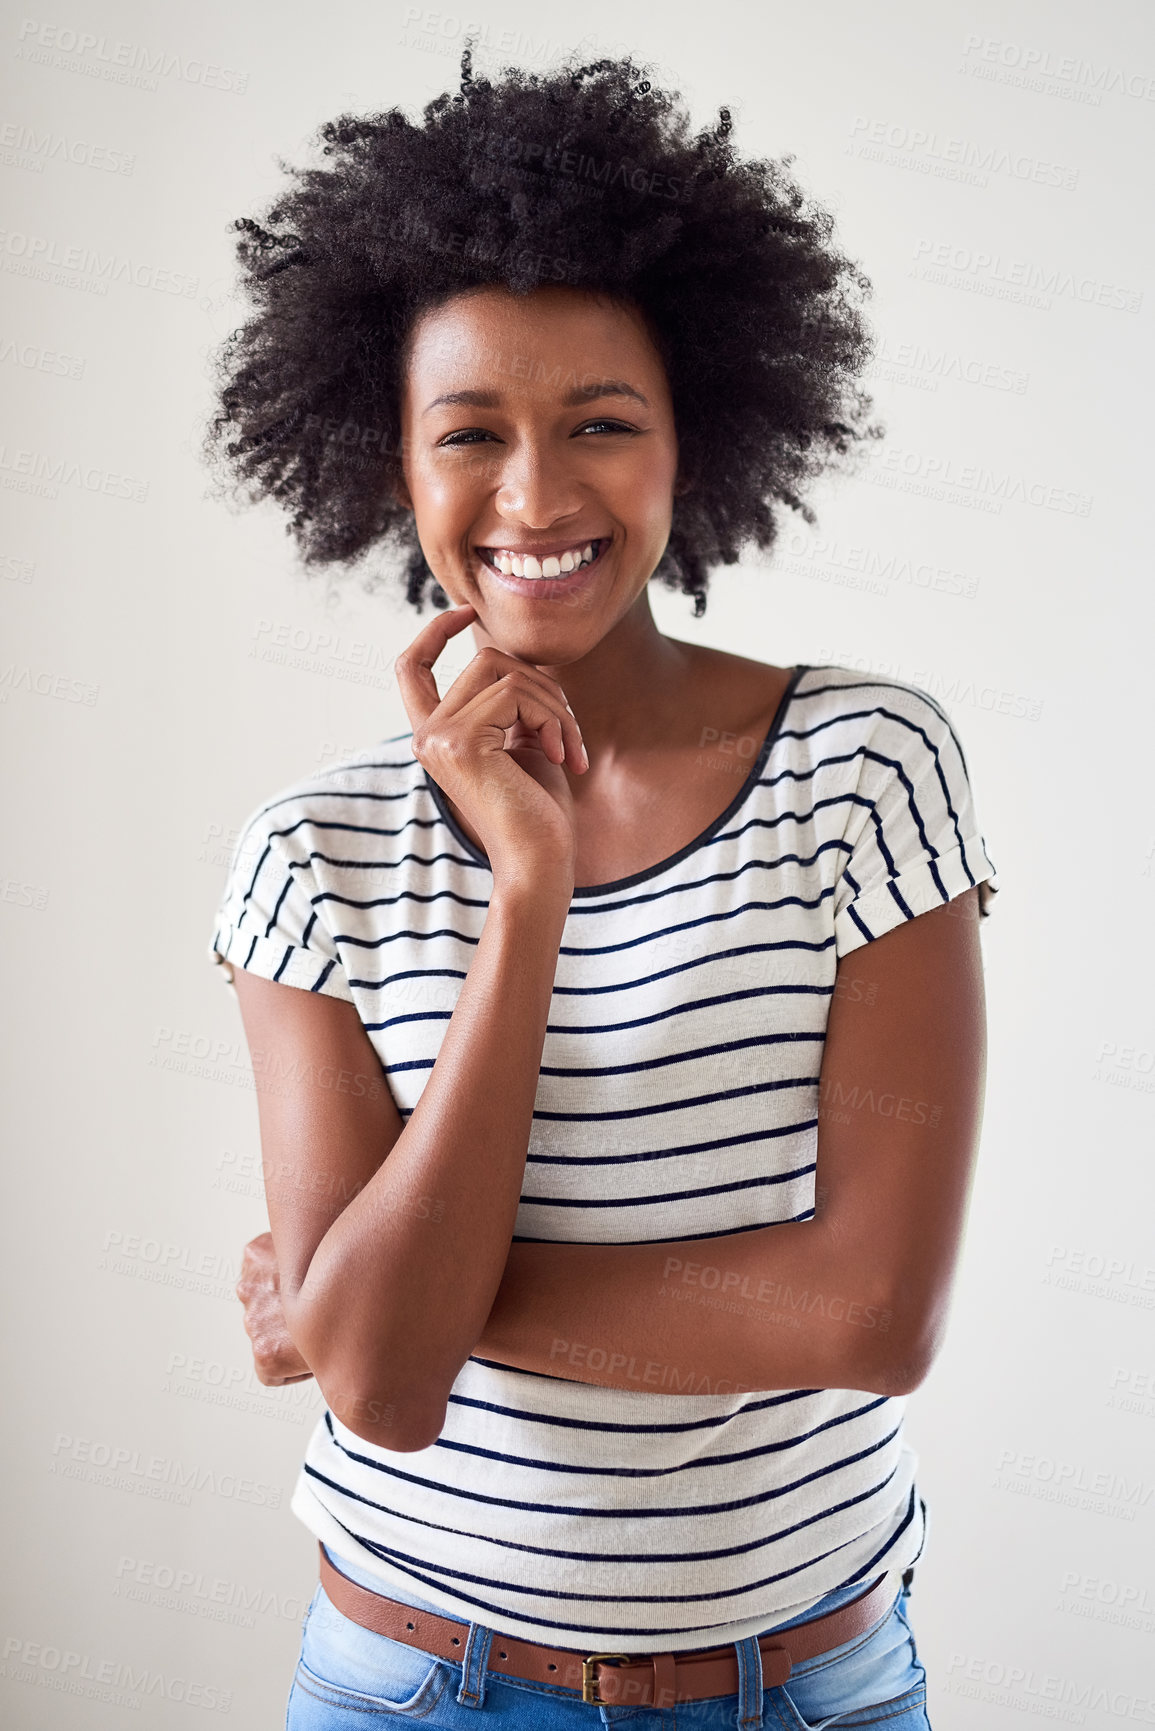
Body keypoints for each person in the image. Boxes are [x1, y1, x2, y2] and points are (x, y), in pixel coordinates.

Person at [204, 50, 998, 1730]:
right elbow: (388, 1403)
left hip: (807, 1687)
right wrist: (529, 900)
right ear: (390, 466)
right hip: (416, 1686)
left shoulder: (866, 770)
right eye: (470, 434)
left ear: (691, 439)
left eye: (601, 427)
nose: (539, 499)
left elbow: (870, 1312)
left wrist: (374, 1308)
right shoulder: (314, 855)